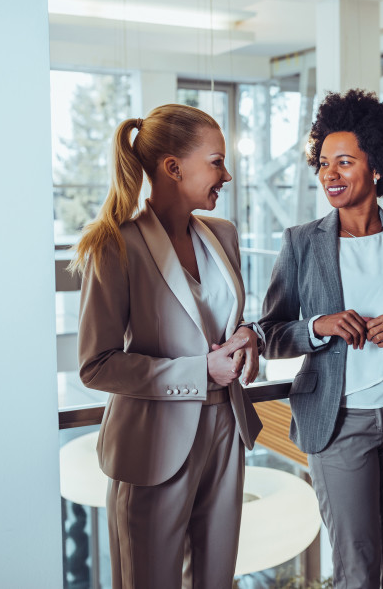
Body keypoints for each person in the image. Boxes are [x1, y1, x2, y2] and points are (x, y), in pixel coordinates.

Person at [258, 89, 383, 589]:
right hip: (336, 422)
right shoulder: (300, 242)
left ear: (377, 167)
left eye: (344, 162)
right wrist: (318, 328)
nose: (330, 175)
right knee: (356, 571)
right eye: (324, 163)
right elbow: (271, 336)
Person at [72, 104, 264, 589]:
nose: (228, 175)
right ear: (173, 168)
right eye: (217, 162)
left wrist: (249, 336)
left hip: (225, 428)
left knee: (216, 580)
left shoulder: (223, 235)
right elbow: (97, 366)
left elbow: (222, 321)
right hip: (153, 443)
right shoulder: (114, 245)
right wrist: (199, 371)